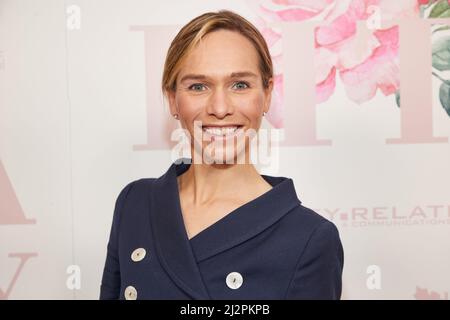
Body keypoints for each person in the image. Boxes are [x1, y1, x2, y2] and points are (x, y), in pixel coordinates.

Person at [100, 9, 343, 300]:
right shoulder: (135, 203)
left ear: (266, 95)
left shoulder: (309, 238)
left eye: (239, 85)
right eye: (198, 86)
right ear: (172, 99)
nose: (219, 107)